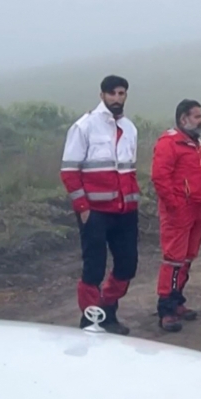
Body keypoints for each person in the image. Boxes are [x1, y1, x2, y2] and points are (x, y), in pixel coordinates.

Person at [60, 75, 140, 334]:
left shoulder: (130, 128)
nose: (117, 98)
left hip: (125, 211)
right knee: (93, 267)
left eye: (122, 93)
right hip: (94, 212)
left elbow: (129, 170)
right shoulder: (84, 127)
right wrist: (83, 209)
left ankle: (106, 310)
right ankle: (90, 321)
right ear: (102, 95)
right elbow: (69, 171)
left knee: (128, 265)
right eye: (112, 93)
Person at [151, 99, 201, 333]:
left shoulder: (196, 143)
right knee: (173, 259)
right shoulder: (169, 143)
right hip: (179, 210)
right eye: (197, 116)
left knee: (187, 258)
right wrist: (175, 205)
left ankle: (177, 301)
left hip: (198, 208)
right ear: (183, 119)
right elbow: (160, 178)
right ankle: (165, 308)